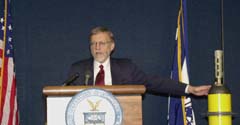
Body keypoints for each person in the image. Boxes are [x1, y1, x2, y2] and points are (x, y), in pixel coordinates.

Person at [67, 26, 211, 96]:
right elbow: (64, 95)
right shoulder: (78, 70)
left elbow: (154, 82)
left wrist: (188, 89)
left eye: (102, 43)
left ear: (112, 46)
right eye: (93, 44)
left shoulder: (126, 68)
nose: (97, 48)